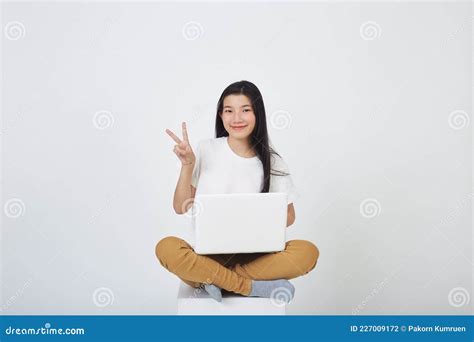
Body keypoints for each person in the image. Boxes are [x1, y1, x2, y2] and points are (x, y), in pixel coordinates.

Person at [156, 80, 319, 303]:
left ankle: (214, 281)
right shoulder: (206, 149)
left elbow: (290, 217)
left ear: (257, 114)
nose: (237, 118)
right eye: (229, 111)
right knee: (167, 247)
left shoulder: (274, 162)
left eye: (245, 110)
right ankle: (247, 286)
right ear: (221, 116)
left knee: (307, 252)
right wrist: (187, 166)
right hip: (207, 255)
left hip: (256, 258)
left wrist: (255, 214)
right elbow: (180, 206)